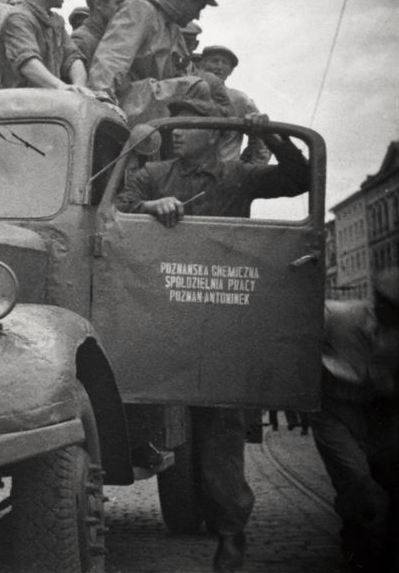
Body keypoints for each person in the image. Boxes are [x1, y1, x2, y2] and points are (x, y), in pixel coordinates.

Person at [115, 98, 310, 572]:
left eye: (191, 125)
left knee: (221, 428)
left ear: (218, 134)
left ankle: (230, 531)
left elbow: (298, 179)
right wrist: (148, 206)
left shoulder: (237, 176)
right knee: (158, 412)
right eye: (175, 125)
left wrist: (268, 135)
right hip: (162, 309)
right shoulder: (155, 174)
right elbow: (117, 207)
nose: (177, 132)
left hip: (220, 315)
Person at [312, 268, 399, 573]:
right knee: (356, 480)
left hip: (378, 416)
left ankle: (365, 542)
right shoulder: (337, 316)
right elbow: (300, 348)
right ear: (379, 302)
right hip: (333, 412)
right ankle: (360, 549)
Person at [88, 0, 218, 97]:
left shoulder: (174, 31)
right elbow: (113, 56)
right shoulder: (141, 10)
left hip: (151, 101)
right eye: (199, 8)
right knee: (197, 87)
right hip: (126, 99)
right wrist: (102, 95)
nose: (197, 16)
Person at [0, 0, 90, 92]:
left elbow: (73, 57)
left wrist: (79, 87)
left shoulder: (56, 21)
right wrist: (61, 87)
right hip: (19, 103)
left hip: (47, 100)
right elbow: (27, 63)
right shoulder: (18, 18)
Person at [199, 45, 270, 165]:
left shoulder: (240, 99)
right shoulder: (188, 92)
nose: (219, 67)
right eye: (215, 61)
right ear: (202, 64)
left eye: (225, 63)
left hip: (225, 171)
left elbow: (262, 142)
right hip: (188, 172)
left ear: (231, 71)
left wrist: (247, 170)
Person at [71, 0, 134, 68]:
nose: (124, 10)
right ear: (99, 4)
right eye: (118, 3)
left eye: (126, 5)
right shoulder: (82, 41)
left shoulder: (113, 37)